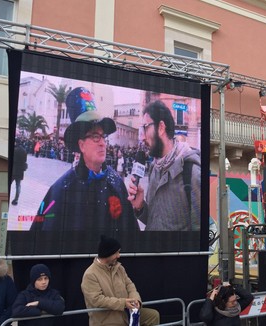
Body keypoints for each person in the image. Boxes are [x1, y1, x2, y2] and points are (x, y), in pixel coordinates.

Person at [28, 87, 139, 252]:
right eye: (95, 137)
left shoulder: (116, 182)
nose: (102, 143)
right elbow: (42, 243)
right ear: (81, 145)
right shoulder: (61, 189)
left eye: (103, 137)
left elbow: (131, 235)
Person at [128, 100, 201, 231]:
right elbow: (157, 221)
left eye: (145, 127)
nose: (142, 137)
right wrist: (140, 207)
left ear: (161, 127)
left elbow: (199, 235)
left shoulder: (191, 172)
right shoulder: (154, 169)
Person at [81, 235, 160, 326]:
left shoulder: (119, 268)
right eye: (116, 252)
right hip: (107, 320)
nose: (119, 255)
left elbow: (130, 285)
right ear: (107, 253)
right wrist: (123, 303)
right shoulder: (90, 274)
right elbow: (97, 300)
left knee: (153, 316)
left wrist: (136, 300)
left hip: (126, 313)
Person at [11, 139, 28, 206]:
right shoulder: (24, 150)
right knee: (18, 186)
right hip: (20, 171)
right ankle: (16, 200)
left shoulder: (15, 150)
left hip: (14, 170)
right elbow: (25, 160)